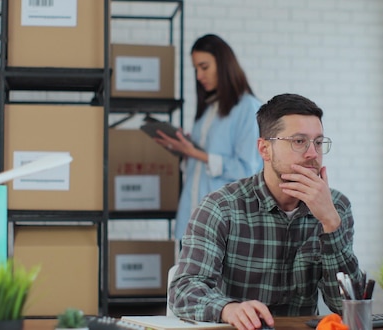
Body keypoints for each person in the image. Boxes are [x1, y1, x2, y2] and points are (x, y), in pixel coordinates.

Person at [168, 93, 365, 330]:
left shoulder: (336, 207)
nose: (313, 153)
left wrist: (331, 224)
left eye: (319, 142)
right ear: (265, 149)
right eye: (299, 141)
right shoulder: (221, 207)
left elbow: (347, 306)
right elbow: (184, 289)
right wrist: (227, 309)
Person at [153, 34, 263, 241]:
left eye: (204, 67)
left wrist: (195, 153)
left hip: (224, 224)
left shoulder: (248, 109)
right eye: (195, 69)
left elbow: (247, 171)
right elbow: (198, 171)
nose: (199, 76)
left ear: (223, 64)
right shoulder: (207, 111)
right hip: (192, 219)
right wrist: (185, 150)